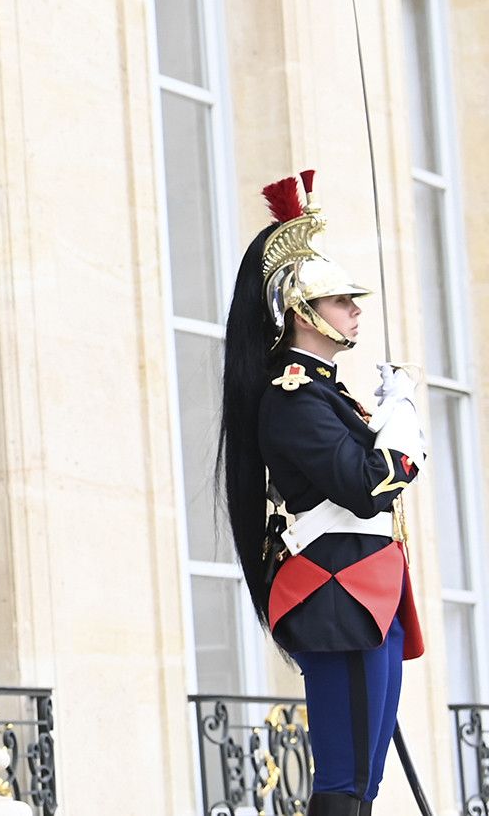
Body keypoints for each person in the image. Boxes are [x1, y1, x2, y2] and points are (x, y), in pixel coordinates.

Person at [219, 172, 426, 816]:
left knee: (363, 780)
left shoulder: (328, 394)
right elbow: (368, 489)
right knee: (342, 778)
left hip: (369, 590)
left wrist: (385, 416)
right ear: (302, 312)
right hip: (338, 595)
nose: (355, 310)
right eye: (341, 301)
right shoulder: (293, 397)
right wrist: (402, 424)